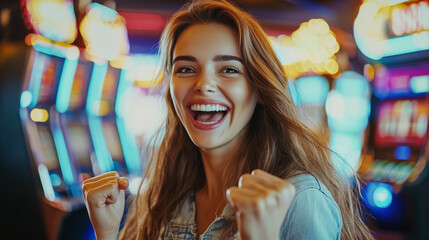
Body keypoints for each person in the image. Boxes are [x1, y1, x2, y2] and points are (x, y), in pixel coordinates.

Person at [82, 0, 374, 239]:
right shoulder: (169, 190)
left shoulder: (299, 198)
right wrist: (107, 233)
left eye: (229, 70)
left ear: (259, 89)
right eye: (185, 69)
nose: (203, 84)